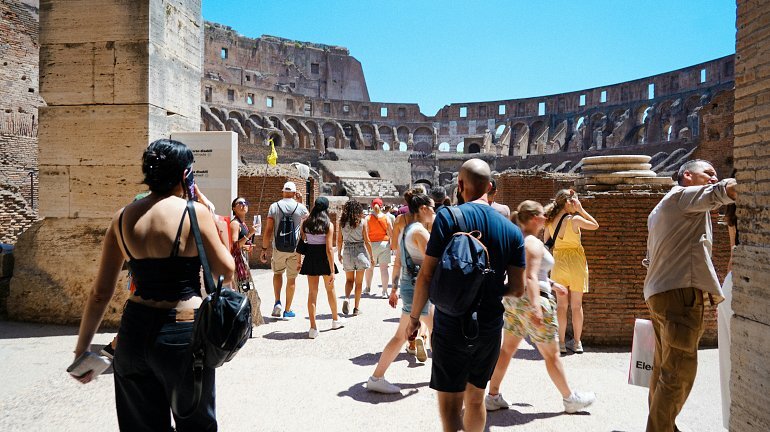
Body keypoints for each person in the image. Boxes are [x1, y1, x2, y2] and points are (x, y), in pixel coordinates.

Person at [72, 139, 235, 430]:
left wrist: (82, 351)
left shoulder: (121, 218)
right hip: (183, 332)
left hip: (133, 333)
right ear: (186, 175)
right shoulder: (194, 212)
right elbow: (226, 268)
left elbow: (100, 294)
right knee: (196, 425)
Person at [406, 158, 526, 432]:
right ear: (490, 187)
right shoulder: (511, 229)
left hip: (450, 320)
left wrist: (415, 318)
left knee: (450, 404)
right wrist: (493, 290)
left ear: (459, 185)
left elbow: (426, 274)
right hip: (489, 324)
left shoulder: (448, 217)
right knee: (475, 400)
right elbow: (518, 289)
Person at [644, 159, 736, 432]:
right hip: (680, 292)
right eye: (707, 173)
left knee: (663, 369)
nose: (712, 177)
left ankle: (665, 427)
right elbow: (721, 192)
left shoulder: (662, 207)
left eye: (715, 174)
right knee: (679, 372)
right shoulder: (684, 197)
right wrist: (745, 182)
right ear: (687, 175)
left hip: (659, 292)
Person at [486, 200, 595, 413]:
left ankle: (493, 396)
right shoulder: (533, 243)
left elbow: (529, 273)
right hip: (533, 301)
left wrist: (554, 285)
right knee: (552, 355)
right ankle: (570, 399)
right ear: (535, 218)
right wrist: (536, 307)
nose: (546, 218)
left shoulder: (517, 240)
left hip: (515, 302)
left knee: (507, 350)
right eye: (542, 215)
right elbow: (531, 276)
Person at [366, 189, 436, 393]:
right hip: (418, 288)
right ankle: (443, 377)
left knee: (406, 335)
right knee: (433, 332)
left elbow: (398, 261)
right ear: (423, 209)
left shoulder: (408, 229)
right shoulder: (420, 232)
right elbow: (432, 263)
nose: (435, 211)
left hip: (409, 285)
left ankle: (377, 377)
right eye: (432, 208)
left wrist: (395, 288)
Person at [543, 189, 599, 354]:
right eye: (574, 200)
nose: (576, 203)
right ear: (567, 202)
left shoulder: (549, 220)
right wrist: (581, 210)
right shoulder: (575, 219)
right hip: (576, 264)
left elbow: (546, 242)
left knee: (561, 306)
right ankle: (577, 342)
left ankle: (560, 342)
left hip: (558, 263)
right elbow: (595, 225)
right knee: (576, 306)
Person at [260, 181, 309, 320]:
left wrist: (264, 248)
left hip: (278, 248)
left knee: (277, 273)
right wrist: (301, 201)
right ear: (294, 193)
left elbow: (268, 230)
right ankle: (288, 310)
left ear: (283, 192)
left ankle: (277, 302)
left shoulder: (274, 207)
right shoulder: (300, 208)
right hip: (295, 249)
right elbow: (309, 221)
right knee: (291, 278)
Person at [298, 197, 344, 339]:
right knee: (330, 290)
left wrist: (299, 261)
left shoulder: (305, 223)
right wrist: (332, 270)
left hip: (311, 257)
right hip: (323, 258)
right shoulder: (328, 225)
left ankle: (313, 328)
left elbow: (302, 242)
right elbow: (329, 249)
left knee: (312, 293)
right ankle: (335, 320)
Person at [718, 201, 737, 429]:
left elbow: (733, 254)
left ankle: (732, 421)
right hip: (738, 284)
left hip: (731, 285)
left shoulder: (734, 210)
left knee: (730, 363)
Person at [337, 199, 373, 316]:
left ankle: (347, 298)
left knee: (349, 280)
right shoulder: (362, 222)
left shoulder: (341, 222)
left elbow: (339, 240)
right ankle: (356, 309)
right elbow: (367, 240)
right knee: (359, 283)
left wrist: (339, 253)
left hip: (347, 250)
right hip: (360, 252)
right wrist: (371, 256)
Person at [230, 197, 262, 326]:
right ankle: (243, 323)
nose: (243, 205)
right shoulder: (235, 224)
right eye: (240, 203)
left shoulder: (242, 223)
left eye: (245, 203)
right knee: (245, 292)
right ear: (234, 208)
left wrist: (247, 246)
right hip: (238, 265)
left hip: (243, 263)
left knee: (250, 292)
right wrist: (249, 234)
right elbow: (234, 246)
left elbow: (240, 245)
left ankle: (248, 322)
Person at [364, 197, 393, 297]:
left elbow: (365, 233)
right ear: (382, 206)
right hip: (384, 244)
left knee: (370, 268)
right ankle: (384, 292)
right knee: (384, 269)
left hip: (371, 245)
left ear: (372, 206)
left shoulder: (367, 218)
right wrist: (392, 244)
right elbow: (391, 232)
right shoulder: (386, 217)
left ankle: (367, 288)